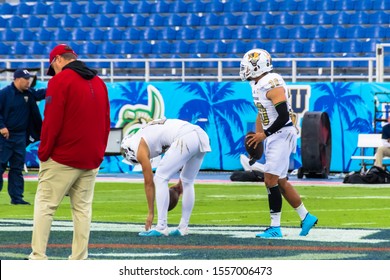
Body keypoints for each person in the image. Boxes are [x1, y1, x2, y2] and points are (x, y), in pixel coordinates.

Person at [28, 44, 110, 260]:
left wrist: (44, 152)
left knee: (45, 205)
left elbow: (52, 121)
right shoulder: (99, 82)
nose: (52, 72)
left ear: (58, 60)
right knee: (82, 210)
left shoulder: (60, 81)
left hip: (62, 157)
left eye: (52, 67)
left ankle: (38, 257)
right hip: (91, 158)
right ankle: (79, 259)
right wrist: (99, 152)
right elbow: (105, 122)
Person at [239, 48, 318, 238]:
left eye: (247, 65)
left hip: (281, 133)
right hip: (276, 134)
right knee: (280, 181)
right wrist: (257, 137)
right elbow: (262, 111)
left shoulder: (271, 84)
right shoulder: (257, 84)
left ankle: (275, 227)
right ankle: (306, 216)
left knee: (270, 180)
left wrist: (263, 135)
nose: (244, 69)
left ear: (257, 66)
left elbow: (283, 116)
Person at [121, 118, 211, 237]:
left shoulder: (136, 146)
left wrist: (150, 213)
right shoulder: (145, 133)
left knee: (160, 178)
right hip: (200, 135)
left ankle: (161, 227)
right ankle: (183, 227)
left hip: (186, 136)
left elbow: (149, 182)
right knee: (187, 181)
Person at [0, 69, 46, 205]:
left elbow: (41, 94)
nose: (28, 82)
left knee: (17, 168)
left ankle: (17, 198)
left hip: (20, 136)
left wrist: (57, 85)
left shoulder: (29, 93)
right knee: (0, 166)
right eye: (25, 79)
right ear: (17, 79)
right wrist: (1, 126)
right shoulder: (4, 94)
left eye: (29, 79)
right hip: (5, 137)